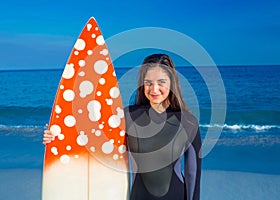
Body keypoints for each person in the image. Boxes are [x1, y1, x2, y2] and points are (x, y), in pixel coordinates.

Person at [43, 54, 201, 200]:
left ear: (172, 83)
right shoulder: (128, 117)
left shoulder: (188, 122)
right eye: (148, 83)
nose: (154, 89)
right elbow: (93, 138)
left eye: (161, 82)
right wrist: (57, 136)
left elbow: (192, 173)